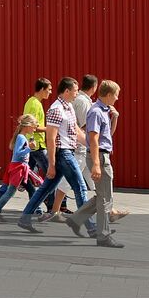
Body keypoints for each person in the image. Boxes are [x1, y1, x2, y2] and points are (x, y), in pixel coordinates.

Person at [17, 77, 95, 235]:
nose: (76, 93)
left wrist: (91, 145)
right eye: (74, 90)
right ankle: (92, 228)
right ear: (66, 91)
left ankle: (24, 218)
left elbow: (76, 131)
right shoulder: (56, 109)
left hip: (67, 152)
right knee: (80, 188)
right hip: (63, 153)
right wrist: (51, 164)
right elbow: (51, 138)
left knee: (46, 187)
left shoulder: (69, 108)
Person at [66, 80, 124, 248]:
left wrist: (115, 118)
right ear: (108, 95)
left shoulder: (104, 111)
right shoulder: (96, 112)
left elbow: (107, 137)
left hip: (102, 154)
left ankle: (76, 220)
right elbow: (93, 138)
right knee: (106, 198)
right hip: (100, 156)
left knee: (102, 195)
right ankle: (103, 236)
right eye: (116, 95)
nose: (117, 98)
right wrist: (97, 164)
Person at [41, 74, 98, 223]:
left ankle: (107, 210)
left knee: (93, 182)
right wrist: (92, 142)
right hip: (76, 149)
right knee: (77, 185)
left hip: (78, 148)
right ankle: (81, 218)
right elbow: (85, 127)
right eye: (75, 90)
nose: (76, 92)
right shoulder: (82, 103)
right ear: (94, 87)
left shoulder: (73, 102)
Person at [0, 115, 43, 221]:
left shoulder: (21, 137)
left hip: (21, 168)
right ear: (27, 126)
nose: (35, 129)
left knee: (31, 189)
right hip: (18, 168)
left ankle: (38, 209)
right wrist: (29, 149)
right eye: (34, 126)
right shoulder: (21, 138)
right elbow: (18, 153)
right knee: (11, 191)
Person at [23, 77, 54, 213]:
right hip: (37, 145)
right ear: (41, 89)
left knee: (22, 174)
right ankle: (51, 204)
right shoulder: (35, 104)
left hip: (33, 144)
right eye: (48, 90)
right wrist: (51, 128)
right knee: (52, 174)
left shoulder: (32, 101)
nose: (50, 92)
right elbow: (33, 126)